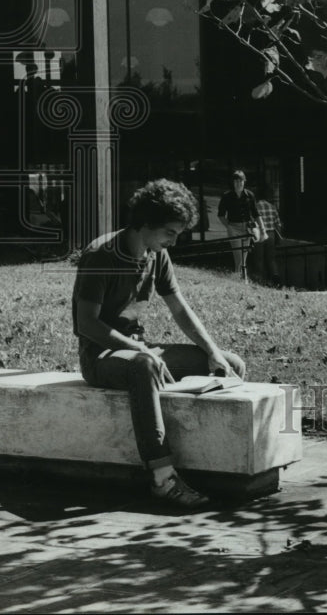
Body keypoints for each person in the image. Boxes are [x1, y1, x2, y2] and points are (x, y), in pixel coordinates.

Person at [72, 179, 246, 510]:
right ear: (146, 224)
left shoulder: (158, 255)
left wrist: (212, 352)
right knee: (145, 365)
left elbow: (180, 309)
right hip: (100, 357)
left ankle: (223, 465)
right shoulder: (101, 255)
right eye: (169, 232)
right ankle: (162, 477)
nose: (173, 241)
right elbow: (87, 325)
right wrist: (140, 351)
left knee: (231, 363)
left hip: (139, 350)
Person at [218, 170, 266, 279]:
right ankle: (238, 278)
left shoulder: (250, 195)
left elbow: (256, 213)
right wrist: (229, 226)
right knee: (238, 257)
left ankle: (241, 279)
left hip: (247, 228)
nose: (238, 183)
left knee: (244, 258)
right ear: (233, 182)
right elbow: (220, 215)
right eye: (236, 181)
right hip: (233, 228)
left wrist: (262, 230)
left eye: (241, 181)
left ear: (244, 182)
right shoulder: (227, 196)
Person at [253, 185, 282, 285]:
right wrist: (278, 239)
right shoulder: (272, 207)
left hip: (260, 234)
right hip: (271, 234)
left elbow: (252, 222)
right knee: (271, 259)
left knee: (259, 259)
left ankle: (262, 281)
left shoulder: (255, 207)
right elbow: (278, 224)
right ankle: (275, 276)